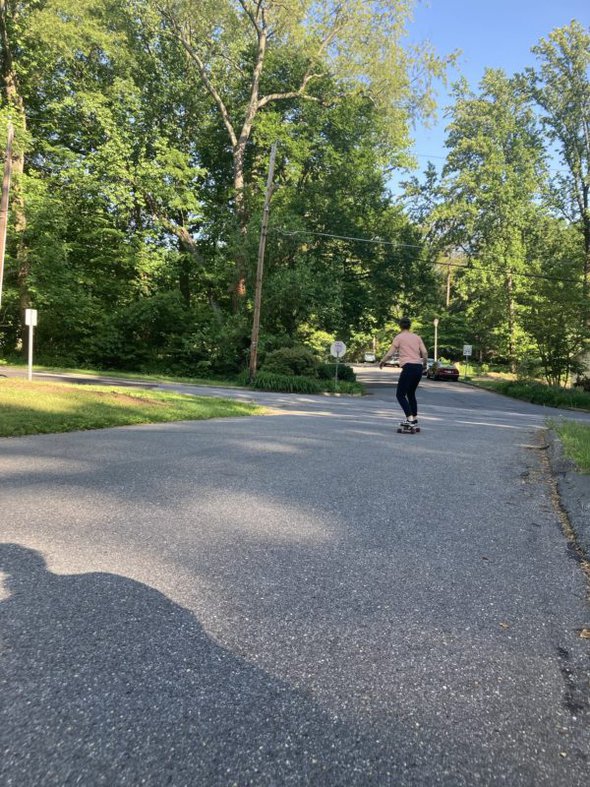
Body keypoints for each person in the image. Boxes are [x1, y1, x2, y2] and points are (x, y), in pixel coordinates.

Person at [379, 317, 428, 428]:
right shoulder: (417, 337)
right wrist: (424, 365)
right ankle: (414, 418)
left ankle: (409, 418)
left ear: (400, 326)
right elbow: (424, 353)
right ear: (410, 326)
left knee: (400, 394)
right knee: (411, 393)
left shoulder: (399, 337)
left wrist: (382, 362)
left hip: (408, 368)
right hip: (418, 368)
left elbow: (390, 353)